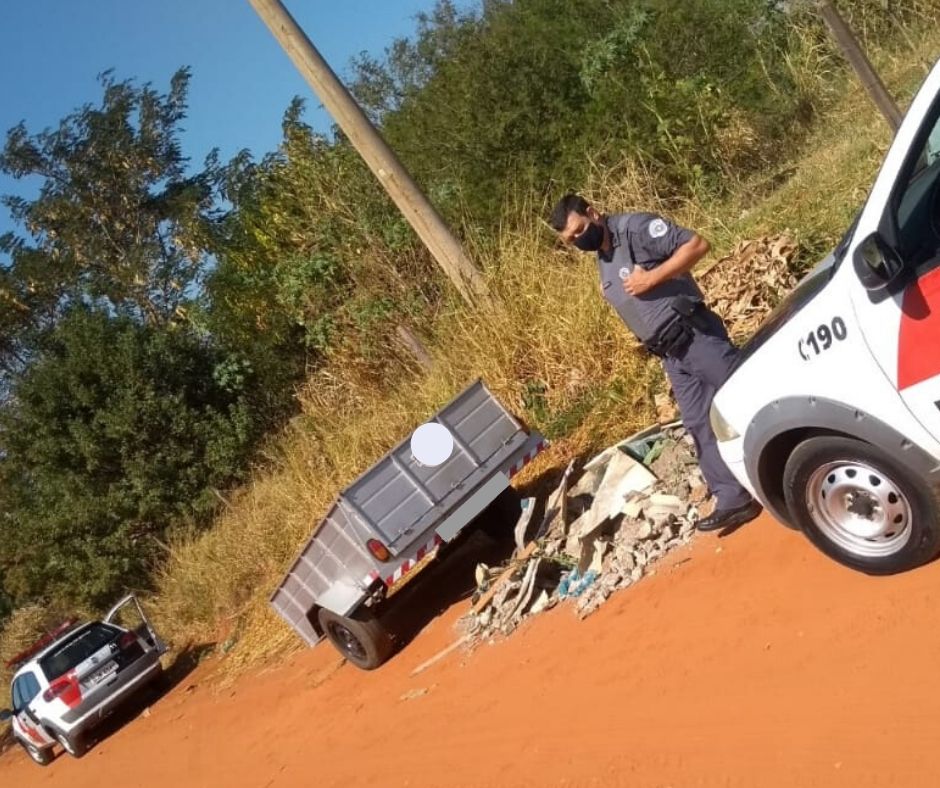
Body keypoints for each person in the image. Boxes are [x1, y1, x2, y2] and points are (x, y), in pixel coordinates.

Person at [548, 193, 762, 533]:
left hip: (695, 335)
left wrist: (652, 278)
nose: (578, 240)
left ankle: (803, 447)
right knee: (698, 422)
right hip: (671, 354)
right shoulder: (603, 258)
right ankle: (734, 499)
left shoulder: (635, 229)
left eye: (579, 230)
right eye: (571, 240)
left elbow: (697, 245)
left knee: (746, 393)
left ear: (593, 212)